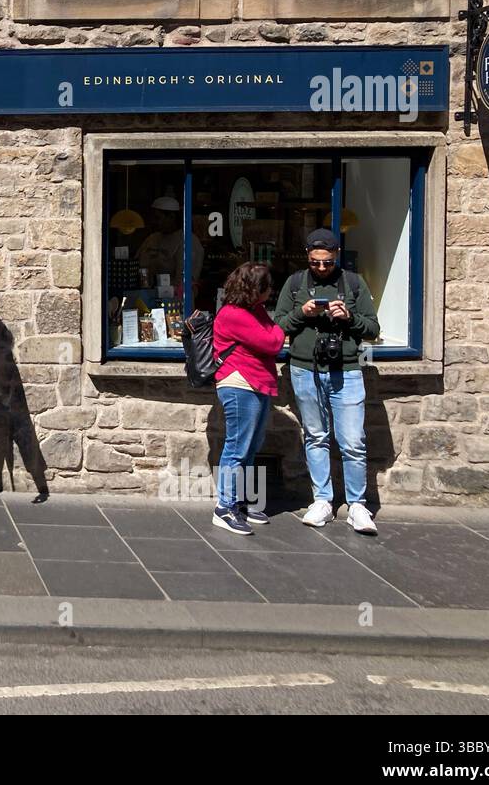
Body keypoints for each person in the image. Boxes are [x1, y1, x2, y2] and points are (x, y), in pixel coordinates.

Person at [274, 228, 381, 535]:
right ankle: (322, 500)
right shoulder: (295, 284)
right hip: (304, 369)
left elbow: (372, 328)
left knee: (352, 441)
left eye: (328, 262)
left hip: (346, 369)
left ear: (337, 257)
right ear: (307, 257)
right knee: (316, 436)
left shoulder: (354, 283)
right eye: (315, 262)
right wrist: (302, 313)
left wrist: (349, 317)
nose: (321, 268)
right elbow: (278, 325)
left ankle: (357, 505)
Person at [211, 262, 286, 536]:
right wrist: (276, 331)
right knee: (237, 447)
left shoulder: (254, 310)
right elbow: (274, 342)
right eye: (267, 287)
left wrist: (274, 330)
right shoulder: (234, 315)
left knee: (251, 447)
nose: (271, 292)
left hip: (258, 383)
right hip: (240, 384)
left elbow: (272, 332)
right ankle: (224, 507)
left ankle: (240, 501)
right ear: (256, 289)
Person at [135, 195, 204, 289]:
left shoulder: (189, 241)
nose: (154, 222)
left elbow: (184, 281)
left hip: (173, 299)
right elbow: (138, 264)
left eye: (158, 218)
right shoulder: (152, 238)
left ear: (171, 217)